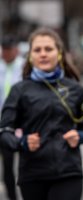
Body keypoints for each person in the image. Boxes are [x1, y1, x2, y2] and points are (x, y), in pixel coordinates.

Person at [0, 27, 83, 200]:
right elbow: (4, 132)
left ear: (59, 53)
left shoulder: (75, 89)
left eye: (48, 49)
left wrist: (80, 136)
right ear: (30, 56)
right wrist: (22, 142)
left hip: (68, 172)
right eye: (37, 50)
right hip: (32, 175)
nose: (43, 54)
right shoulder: (19, 91)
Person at [0, 35, 25, 200]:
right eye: (4, 50)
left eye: (9, 50)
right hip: (3, 123)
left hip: (21, 122)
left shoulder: (24, 67)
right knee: (7, 166)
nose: (6, 53)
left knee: (25, 163)